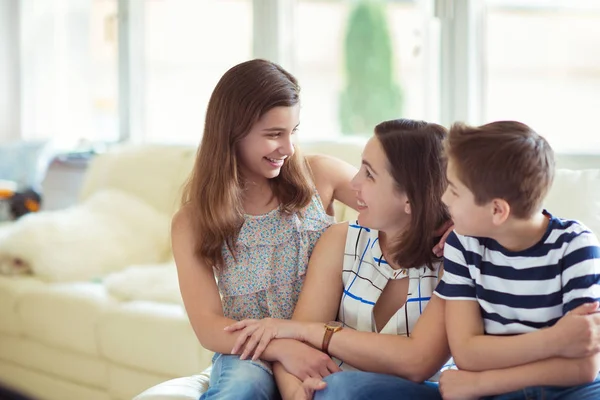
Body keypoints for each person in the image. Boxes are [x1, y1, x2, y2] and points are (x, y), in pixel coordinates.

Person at [225, 119, 456, 400]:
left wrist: (312, 332)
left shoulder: (454, 259)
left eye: (369, 174)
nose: (355, 182)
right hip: (332, 395)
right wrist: (299, 394)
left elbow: (417, 362)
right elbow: (296, 349)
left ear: (410, 198)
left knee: (342, 387)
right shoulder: (341, 241)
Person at [171, 59, 360, 400]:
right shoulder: (192, 221)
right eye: (274, 135)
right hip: (250, 350)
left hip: (322, 338)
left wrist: (446, 223)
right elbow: (209, 326)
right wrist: (282, 348)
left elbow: (392, 200)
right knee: (243, 387)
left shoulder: (320, 175)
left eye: (293, 132)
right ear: (232, 132)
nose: (287, 149)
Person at [435, 121, 600, 400]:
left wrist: (480, 384)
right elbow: (467, 354)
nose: (443, 198)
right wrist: (556, 340)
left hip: (574, 391)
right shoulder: (463, 245)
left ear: (498, 210)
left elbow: (585, 367)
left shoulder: (576, 245)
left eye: (454, 190)